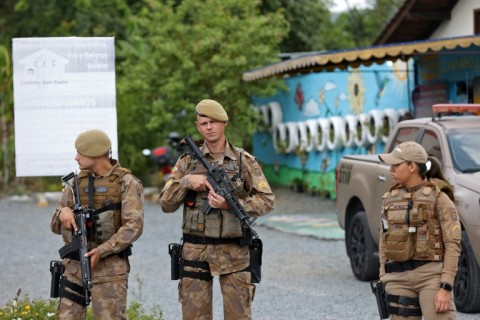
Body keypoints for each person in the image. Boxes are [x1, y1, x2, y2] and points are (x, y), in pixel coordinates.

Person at [159, 99, 275, 320]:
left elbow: (267, 200)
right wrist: (186, 181)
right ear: (197, 126)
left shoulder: (243, 161)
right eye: (203, 123)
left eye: (213, 122)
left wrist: (232, 205)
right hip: (195, 250)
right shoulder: (186, 162)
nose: (209, 127)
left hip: (234, 252)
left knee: (238, 316)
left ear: (224, 123)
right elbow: (166, 204)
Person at [50, 129, 144, 319]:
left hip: (110, 270)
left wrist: (102, 250)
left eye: (81, 152)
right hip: (75, 267)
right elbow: (54, 225)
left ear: (96, 153)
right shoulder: (75, 183)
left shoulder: (126, 183)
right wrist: (63, 213)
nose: (76, 157)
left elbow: (134, 226)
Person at [378, 142, 461, 319]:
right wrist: (383, 274)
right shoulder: (389, 199)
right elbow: (383, 238)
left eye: (396, 164)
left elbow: (453, 244)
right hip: (397, 279)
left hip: (431, 277)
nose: (391, 169)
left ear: (412, 166)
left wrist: (445, 286)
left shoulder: (440, 198)